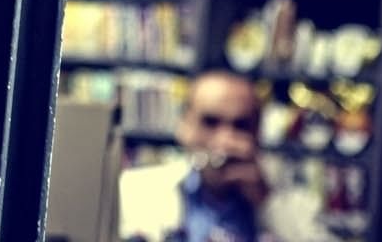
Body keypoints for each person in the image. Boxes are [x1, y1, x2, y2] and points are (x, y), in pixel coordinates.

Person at [117, 69, 331, 242]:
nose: (226, 140)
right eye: (210, 122)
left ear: (258, 132)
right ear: (184, 127)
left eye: (241, 126)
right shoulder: (134, 191)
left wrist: (266, 202)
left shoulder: (299, 207)